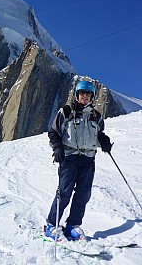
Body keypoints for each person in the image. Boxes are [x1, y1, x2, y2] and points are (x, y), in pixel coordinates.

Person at [45, 79, 114, 241]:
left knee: (83, 194)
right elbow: (54, 133)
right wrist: (57, 148)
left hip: (88, 160)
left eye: (88, 94)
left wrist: (104, 141)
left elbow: (98, 134)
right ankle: (51, 225)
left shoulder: (96, 116)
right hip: (69, 158)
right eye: (82, 93)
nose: (85, 96)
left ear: (92, 97)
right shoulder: (66, 112)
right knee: (64, 192)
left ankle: (72, 226)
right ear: (77, 94)